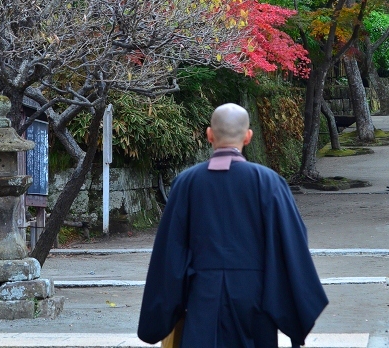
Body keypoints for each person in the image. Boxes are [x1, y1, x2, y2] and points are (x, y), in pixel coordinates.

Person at [137, 103, 328, 348]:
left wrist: (160, 317)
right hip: (255, 302)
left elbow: (170, 254)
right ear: (248, 136)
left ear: (209, 135)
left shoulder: (186, 183)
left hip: (203, 300)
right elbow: (291, 243)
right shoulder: (268, 182)